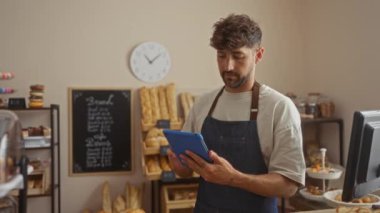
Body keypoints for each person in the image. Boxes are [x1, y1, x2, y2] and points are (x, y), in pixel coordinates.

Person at [167, 14, 305, 213]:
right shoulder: (203, 104)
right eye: (221, 55)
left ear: (258, 55)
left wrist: (233, 178)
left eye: (237, 56)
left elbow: (288, 186)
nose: (227, 66)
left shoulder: (279, 108)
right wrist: (178, 163)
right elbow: (185, 171)